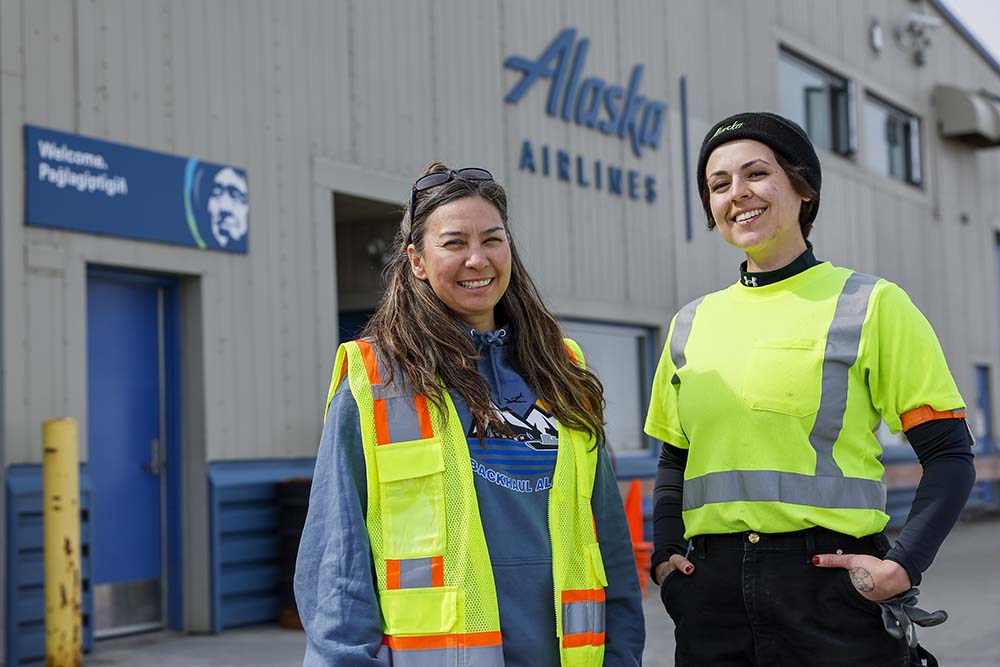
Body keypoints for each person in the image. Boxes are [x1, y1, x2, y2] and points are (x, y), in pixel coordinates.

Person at [645, 112, 976, 666]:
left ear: (803, 187)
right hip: (711, 601)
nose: (737, 194)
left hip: (831, 594)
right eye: (718, 184)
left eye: (756, 174)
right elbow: (673, 461)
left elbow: (949, 455)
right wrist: (664, 557)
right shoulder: (690, 323)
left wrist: (904, 565)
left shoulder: (870, 305)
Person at [295, 163, 644, 667]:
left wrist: (621, 657)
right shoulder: (377, 378)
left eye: (492, 240)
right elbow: (337, 566)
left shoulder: (562, 370)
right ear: (416, 260)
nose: (477, 259)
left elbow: (606, 536)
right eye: (454, 243)